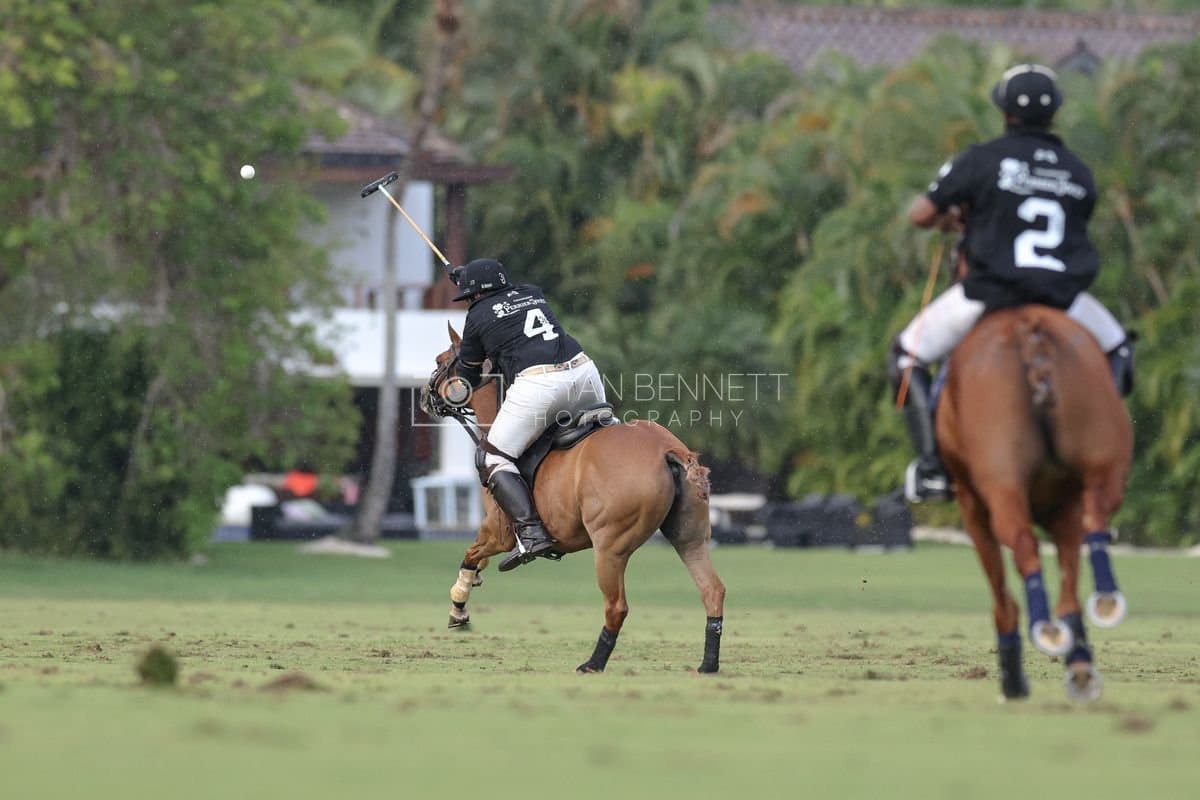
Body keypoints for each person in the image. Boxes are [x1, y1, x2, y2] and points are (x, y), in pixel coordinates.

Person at [890, 64, 1135, 503]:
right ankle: (1103, 450)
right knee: (1119, 348)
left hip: (990, 293)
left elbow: (921, 214)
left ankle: (932, 467)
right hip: (1062, 300)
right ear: (1054, 113)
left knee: (906, 355)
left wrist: (954, 217)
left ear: (1003, 110)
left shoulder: (981, 159)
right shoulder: (1078, 172)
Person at [451, 258, 606, 571]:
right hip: (584, 372)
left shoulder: (477, 315)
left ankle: (531, 531)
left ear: (476, 295)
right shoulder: (532, 292)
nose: (468, 301)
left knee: (491, 457)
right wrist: (466, 278)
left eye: (468, 295)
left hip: (541, 383)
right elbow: (506, 305)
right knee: (603, 433)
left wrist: (464, 381)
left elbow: (468, 377)